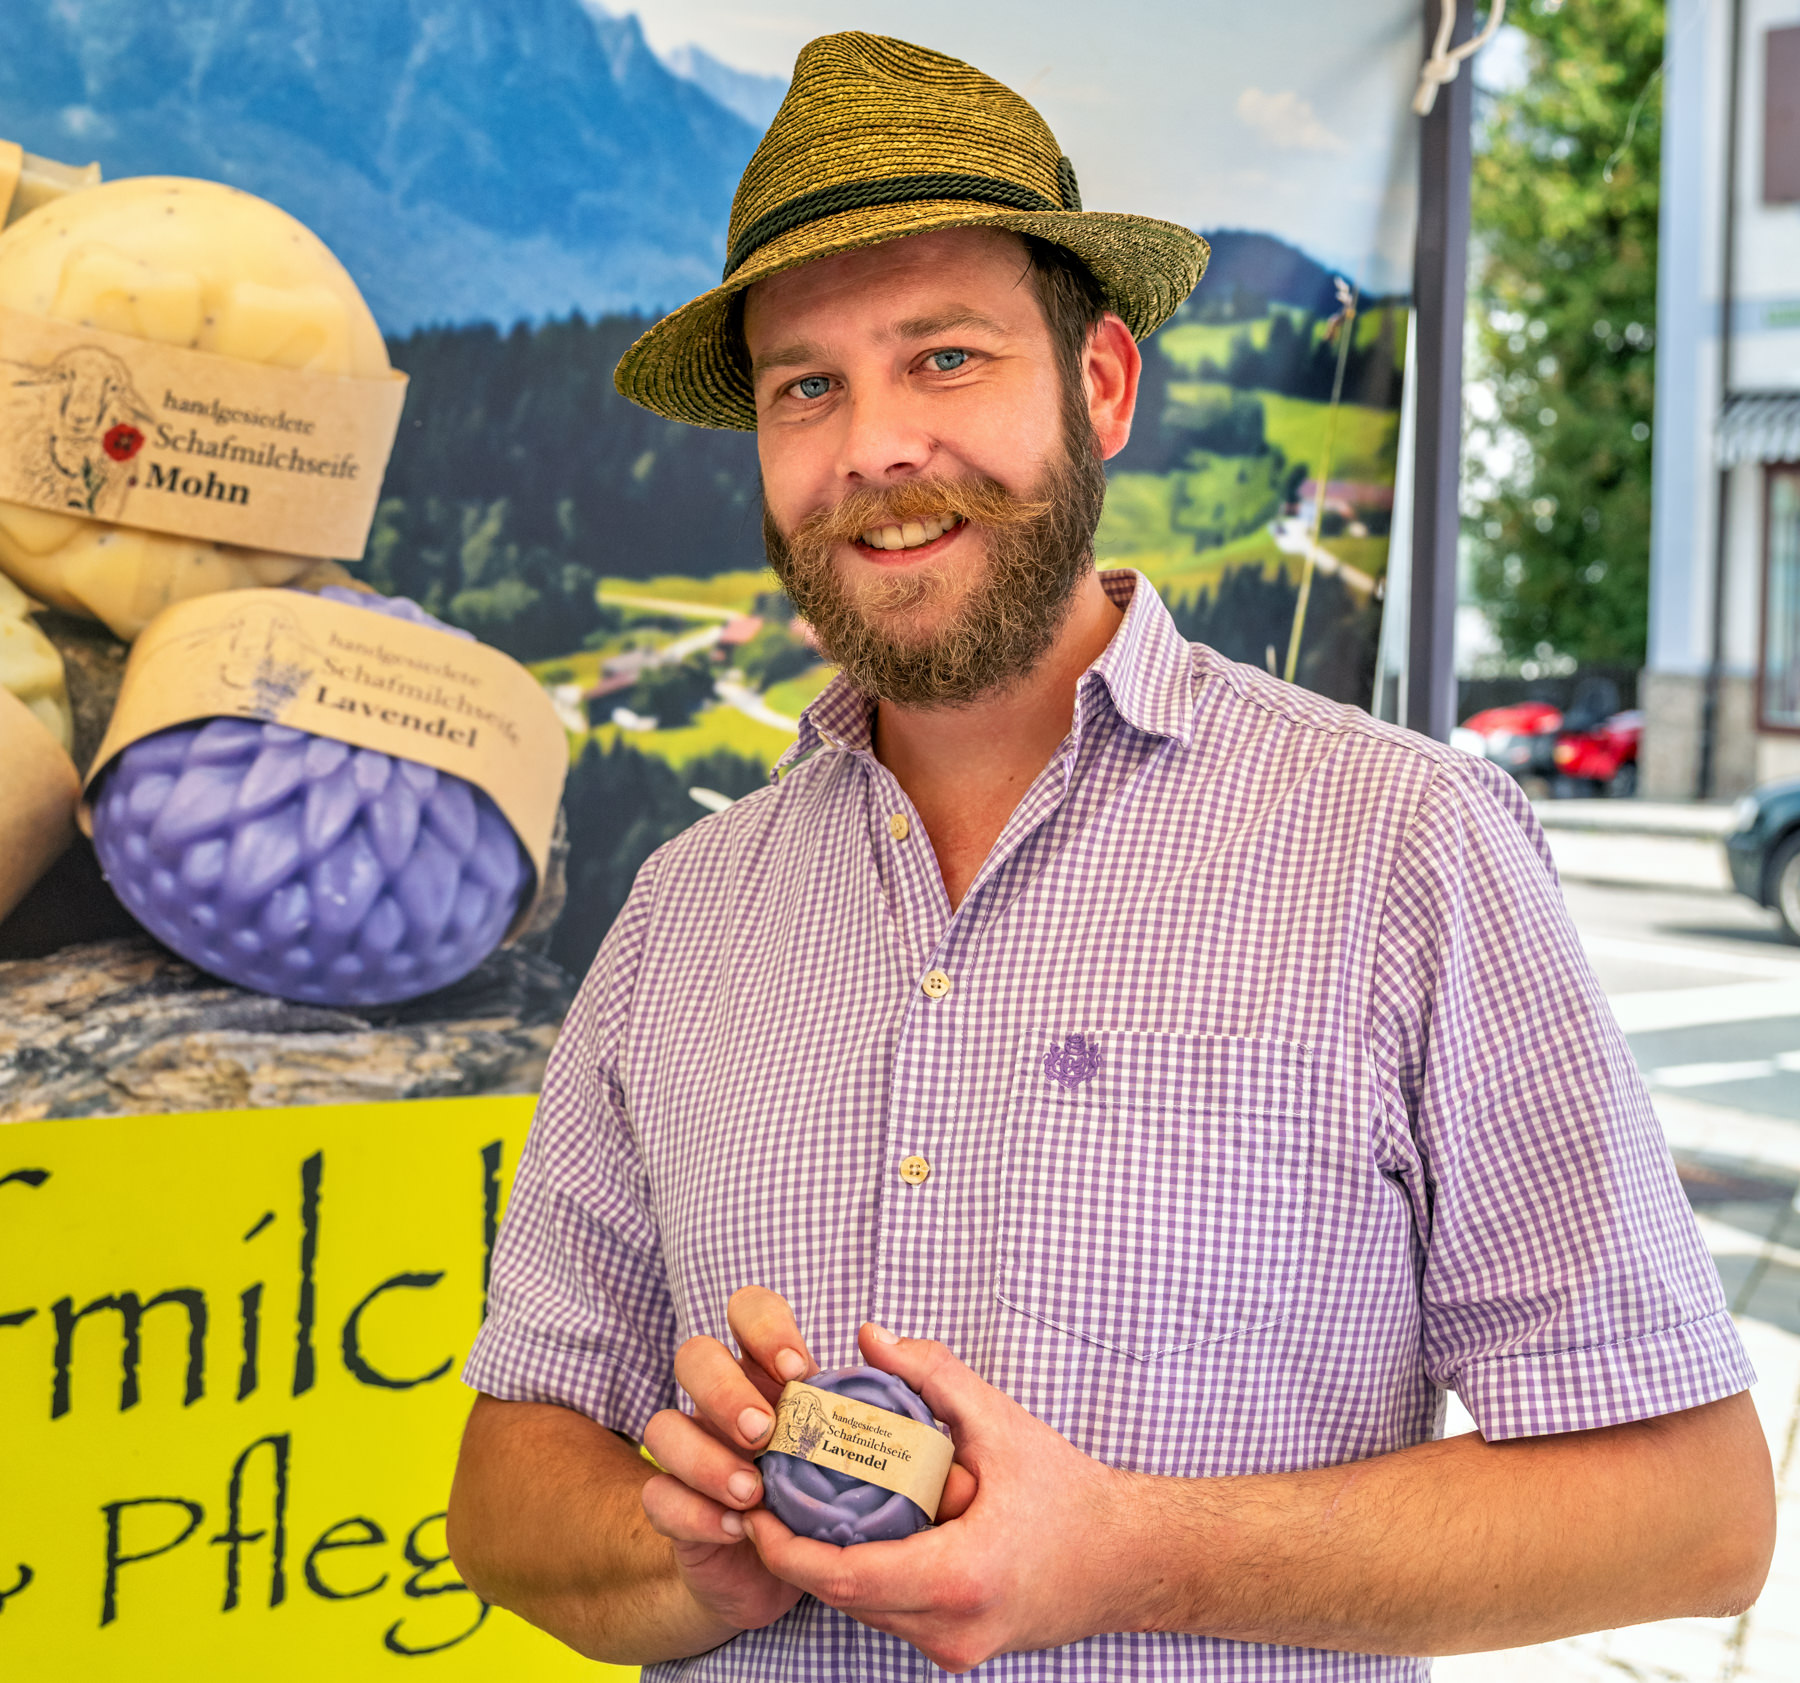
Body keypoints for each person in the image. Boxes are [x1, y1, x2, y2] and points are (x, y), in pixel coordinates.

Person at [446, 32, 1774, 1680]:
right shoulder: (685, 913)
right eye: (808, 386)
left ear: (1101, 388)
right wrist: (699, 1552)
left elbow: (1695, 1512)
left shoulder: (1402, 848)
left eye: (945, 357)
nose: (874, 448)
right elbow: (504, 1496)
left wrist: (1135, 1552)